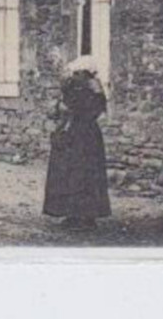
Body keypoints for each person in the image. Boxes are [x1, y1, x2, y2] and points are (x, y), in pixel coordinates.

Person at [43, 59, 112, 230]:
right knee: (75, 174)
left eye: (77, 73)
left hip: (80, 136)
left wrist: (63, 107)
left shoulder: (88, 90)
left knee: (79, 174)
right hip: (82, 135)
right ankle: (76, 214)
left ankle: (82, 215)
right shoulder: (88, 88)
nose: (75, 77)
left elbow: (81, 109)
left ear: (84, 73)